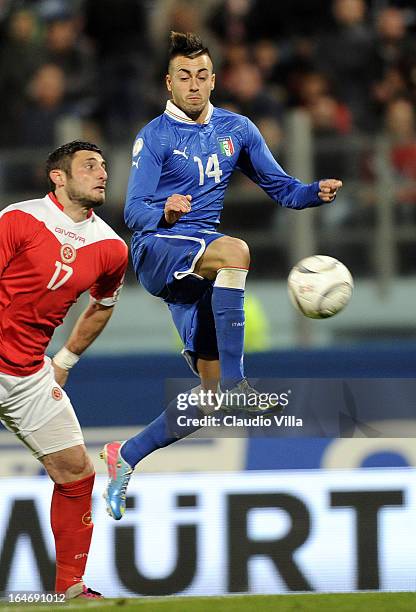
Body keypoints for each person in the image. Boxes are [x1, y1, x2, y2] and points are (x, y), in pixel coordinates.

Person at [101, 31, 342, 520]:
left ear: (214, 79)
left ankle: (125, 456)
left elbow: (283, 189)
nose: (194, 84)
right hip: (158, 249)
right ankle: (239, 381)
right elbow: (131, 211)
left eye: (203, 75)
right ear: (169, 84)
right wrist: (164, 212)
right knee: (236, 251)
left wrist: (314, 192)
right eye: (184, 77)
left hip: (199, 270)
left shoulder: (238, 129)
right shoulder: (155, 135)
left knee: (207, 400)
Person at [0, 141, 128, 597]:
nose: (102, 173)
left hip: (30, 375)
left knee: (76, 471)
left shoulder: (111, 248)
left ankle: (69, 589)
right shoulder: (21, 218)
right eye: (89, 165)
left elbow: (102, 305)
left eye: (104, 166)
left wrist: (65, 360)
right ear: (58, 176)